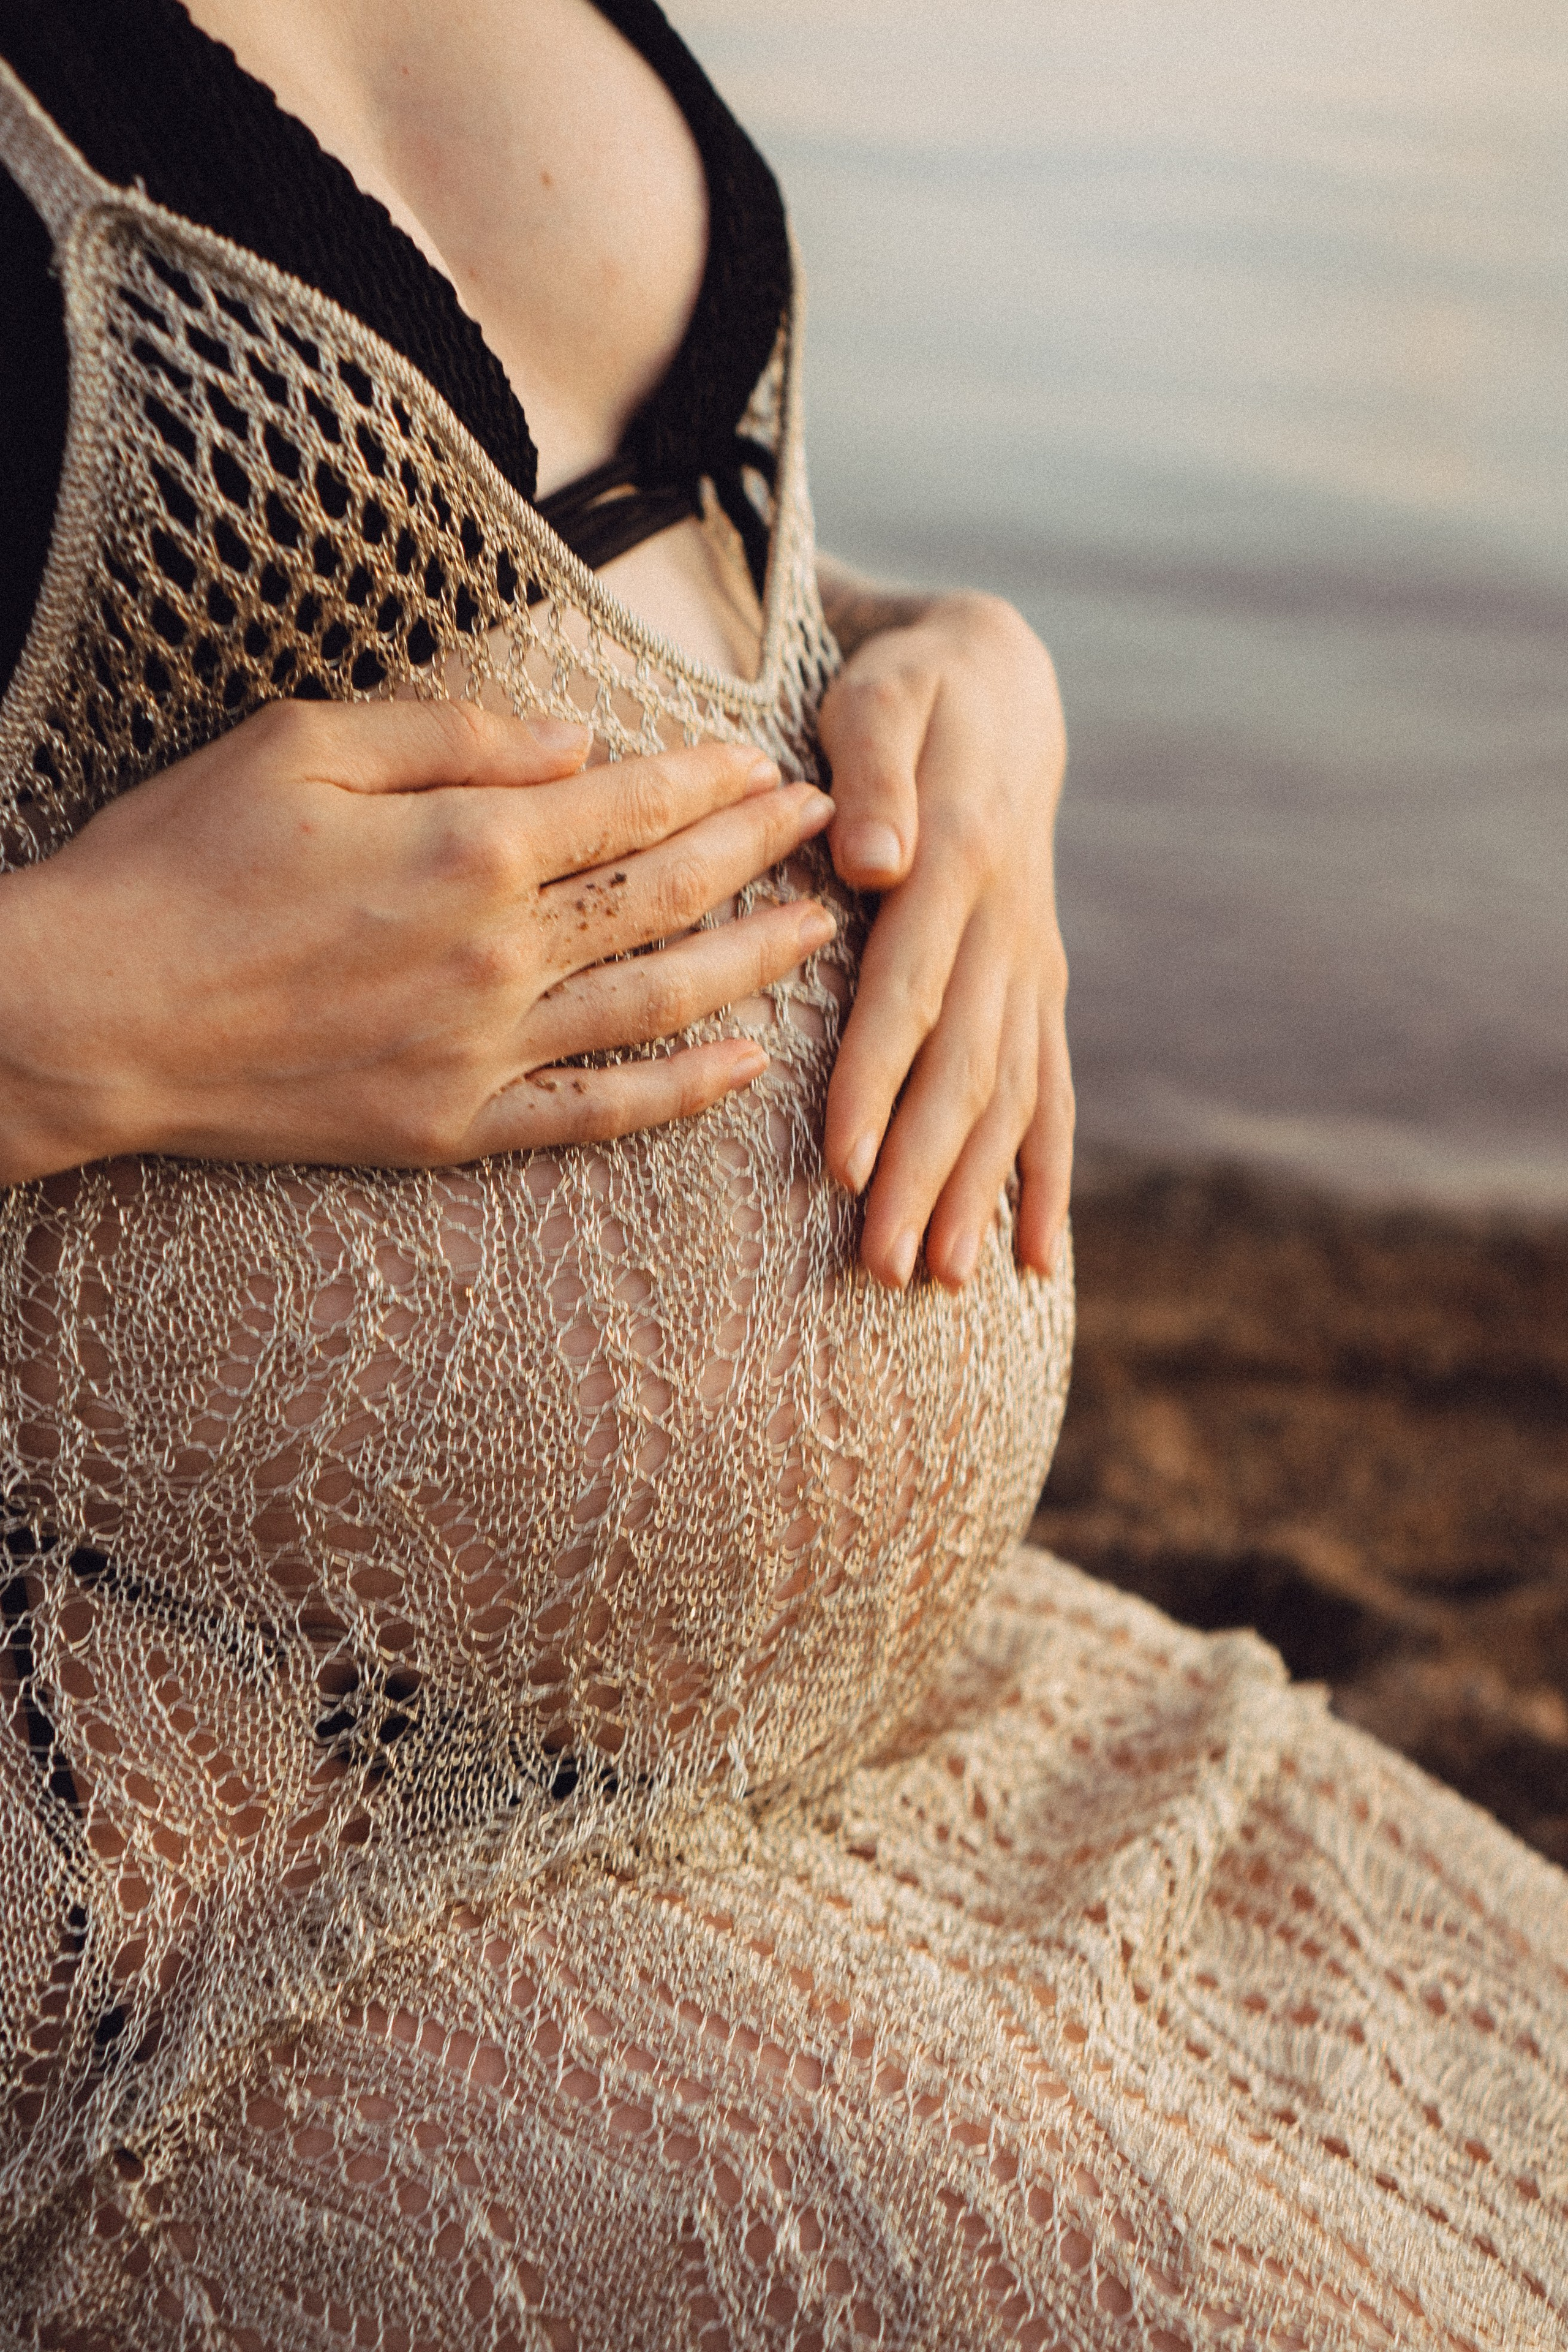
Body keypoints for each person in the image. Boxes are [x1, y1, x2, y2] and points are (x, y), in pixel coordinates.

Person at [0, 4, 1564, 2346]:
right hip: (196, 1825)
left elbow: (566, 547)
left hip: (901, 1708)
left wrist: (962, 675)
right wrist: (60, 1018)